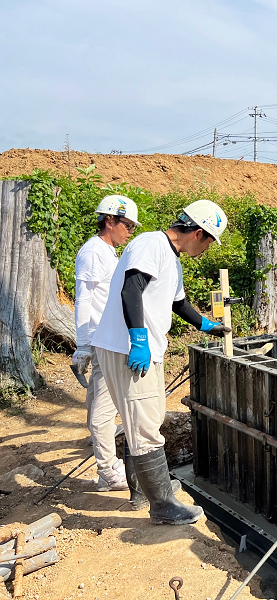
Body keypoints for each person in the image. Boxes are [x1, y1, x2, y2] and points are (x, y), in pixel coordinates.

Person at [92, 199, 230, 525]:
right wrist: (138, 340)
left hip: (147, 349)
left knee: (144, 423)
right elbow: (131, 290)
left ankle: (144, 492)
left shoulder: (172, 259)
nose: (207, 250)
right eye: (209, 242)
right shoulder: (150, 244)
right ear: (198, 232)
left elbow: (178, 303)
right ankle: (163, 506)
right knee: (143, 429)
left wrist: (206, 324)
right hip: (129, 348)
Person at [71, 195, 140, 493]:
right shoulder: (93, 251)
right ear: (109, 221)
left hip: (105, 338)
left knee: (99, 403)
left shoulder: (108, 252)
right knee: (104, 406)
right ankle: (108, 472)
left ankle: (106, 461)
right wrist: (84, 343)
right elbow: (84, 297)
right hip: (102, 340)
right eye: (126, 225)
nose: (130, 231)